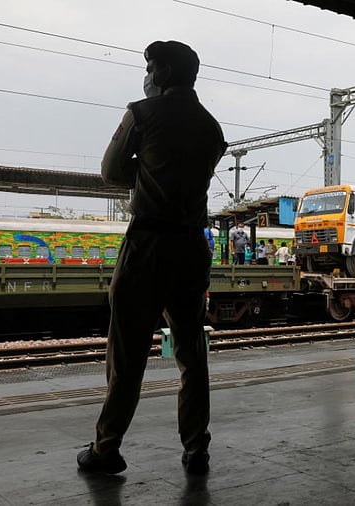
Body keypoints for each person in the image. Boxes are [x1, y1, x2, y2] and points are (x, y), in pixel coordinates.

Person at [77, 40, 226, 476]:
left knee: (127, 353)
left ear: (162, 72)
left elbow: (110, 171)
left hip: (148, 245)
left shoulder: (142, 113)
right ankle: (196, 449)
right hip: (191, 247)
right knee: (191, 352)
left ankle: (107, 449)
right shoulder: (212, 128)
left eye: (149, 66)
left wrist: (141, 168)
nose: (146, 74)